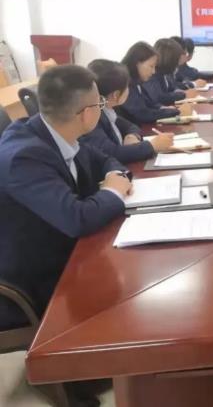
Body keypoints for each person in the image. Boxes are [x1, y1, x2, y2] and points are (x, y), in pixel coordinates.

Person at [0, 65, 132, 332]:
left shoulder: (57, 131)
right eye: (100, 104)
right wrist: (113, 191)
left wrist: (114, 176)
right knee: (128, 302)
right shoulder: (24, 157)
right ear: (87, 114)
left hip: (69, 251)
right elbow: (77, 219)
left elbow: (105, 159)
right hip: (36, 281)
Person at [80, 59, 174, 163]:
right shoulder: (94, 117)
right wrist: (152, 146)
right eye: (127, 86)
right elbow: (112, 153)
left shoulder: (109, 110)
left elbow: (131, 126)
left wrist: (132, 135)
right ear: (116, 95)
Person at [118, 41, 191, 124]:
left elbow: (149, 103)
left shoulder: (136, 82)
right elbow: (142, 114)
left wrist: (162, 108)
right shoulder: (126, 85)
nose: (153, 71)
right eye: (151, 66)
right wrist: (175, 111)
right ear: (137, 63)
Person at [144, 38, 197, 106]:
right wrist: (183, 94)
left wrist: (179, 92)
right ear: (170, 59)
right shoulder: (153, 73)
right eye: (176, 59)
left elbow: (172, 88)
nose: (177, 63)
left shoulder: (164, 73)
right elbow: (160, 97)